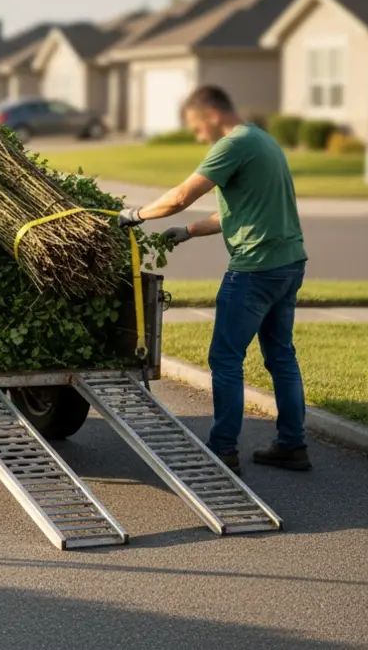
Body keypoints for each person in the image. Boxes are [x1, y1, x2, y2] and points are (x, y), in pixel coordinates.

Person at [116, 85, 311, 473]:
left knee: (225, 358)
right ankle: (292, 445)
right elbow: (239, 213)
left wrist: (133, 215)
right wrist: (188, 232)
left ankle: (222, 449)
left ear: (211, 114)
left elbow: (180, 196)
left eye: (196, 126)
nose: (197, 136)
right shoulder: (263, 142)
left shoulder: (232, 144)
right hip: (288, 264)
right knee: (281, 357)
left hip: (254, 270)